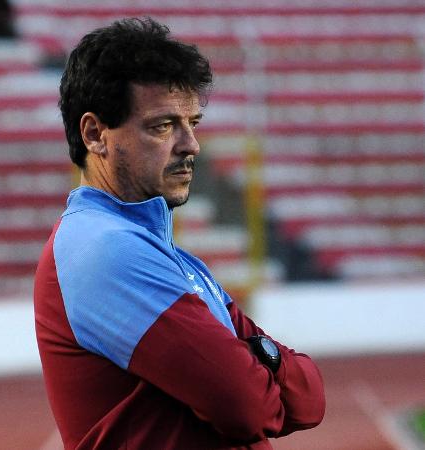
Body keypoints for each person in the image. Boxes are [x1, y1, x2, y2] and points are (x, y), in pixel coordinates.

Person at [34, 18, 325, 450]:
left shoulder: (169, 258)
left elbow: (310, 401)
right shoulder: (106, 249)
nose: (191, 145)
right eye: (163, 126)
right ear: (95, 134)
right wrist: (261, 360)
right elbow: (245, 406)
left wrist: (254, 361)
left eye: (193, 122)